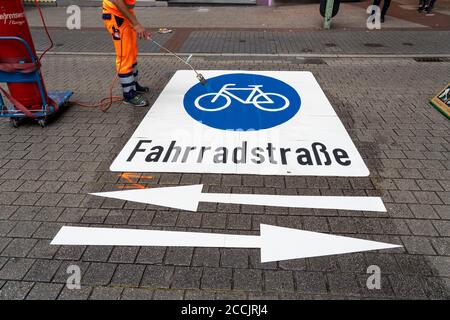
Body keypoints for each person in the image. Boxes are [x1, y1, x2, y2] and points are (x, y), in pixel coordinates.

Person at [102, 0, 151, 107]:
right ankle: (128, 94)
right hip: (116, 15)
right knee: (125, 55)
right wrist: (136, 24)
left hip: (124, 13)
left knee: (132, 52)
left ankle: (134, 85)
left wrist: (136, 24)